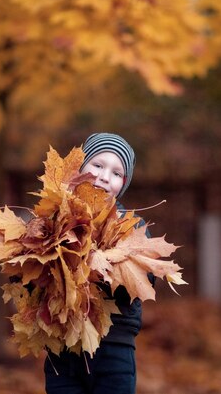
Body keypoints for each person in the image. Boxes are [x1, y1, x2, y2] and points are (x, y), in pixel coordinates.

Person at [44, 132, 151, 394]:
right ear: (81, 168)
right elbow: (30, 275)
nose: (105, 177)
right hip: (64, 347)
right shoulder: (56, 218)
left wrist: (104, 267)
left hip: (114, 345)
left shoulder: (131, 227)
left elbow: (144, 279)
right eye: (98, 165)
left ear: (123, 183)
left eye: (116, 173)